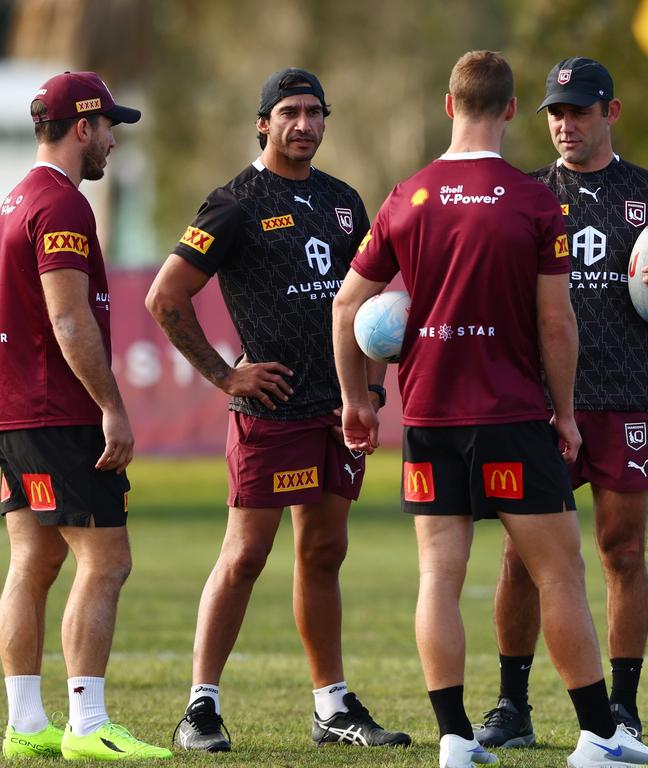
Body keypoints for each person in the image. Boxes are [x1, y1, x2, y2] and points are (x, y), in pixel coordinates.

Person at [333, 50, 648, 768]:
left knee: (439, 577)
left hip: (428, 415)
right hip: (512, 413)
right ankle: (596, 736)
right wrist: (565, 412)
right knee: (559, 571)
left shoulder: (409, 196)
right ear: (514, 111)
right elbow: (556, 324)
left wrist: (356, 402)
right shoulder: (530, 201)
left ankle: (455, 739)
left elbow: (346, 306)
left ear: (449, 104)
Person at [145, 67, 408, 752]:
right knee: (246, 556)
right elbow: (165, 298)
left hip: (337, 413)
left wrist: (371, 391)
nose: (305, 124)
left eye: (315, 112)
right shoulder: (234, 202)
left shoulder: (345, 203)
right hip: (273, 414)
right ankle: (199, 708)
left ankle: (331, 706)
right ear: (263, 123)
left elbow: (372, 309)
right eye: (289, 112)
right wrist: (224, 376)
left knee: (324, 551)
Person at [474, 57, 648, 749]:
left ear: (609, 113)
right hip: (536, 403)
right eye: (555, 112)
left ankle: (624, 707)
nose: (565, 124)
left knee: (622, 550)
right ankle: (511, 705)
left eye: (579, 111)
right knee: (521, 555)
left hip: (626, 399)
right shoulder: (523, 192)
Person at [0, 71, 170, 761]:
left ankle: (25, 723)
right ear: (82, 128)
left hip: (15, 415)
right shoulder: (61, 205)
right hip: (59, 415)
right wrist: (112, 407)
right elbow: (68, 319)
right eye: (108, 127)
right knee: (107, 561)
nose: (113, 140)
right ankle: (88, 723)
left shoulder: (13, 198)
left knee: (32, 562)